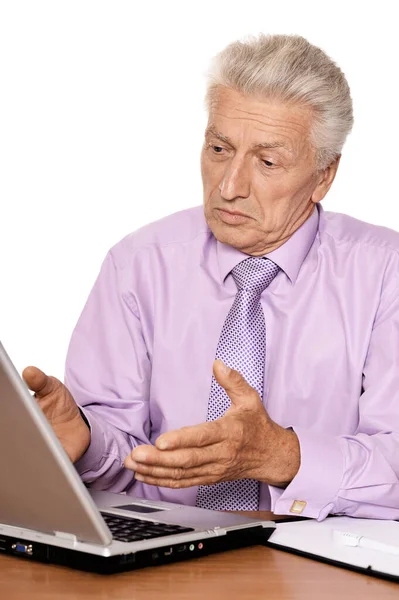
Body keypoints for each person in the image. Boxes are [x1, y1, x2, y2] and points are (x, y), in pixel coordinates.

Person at [23, 34, 399, 521]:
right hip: (166, 554)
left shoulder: (386, 273)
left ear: (324, 175)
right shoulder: (138, 264)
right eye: (219, 148)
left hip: (320, 563)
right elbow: (122, 463)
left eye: (266, 162)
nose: (229, 186)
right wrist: (86, 440)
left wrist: (281, 456)